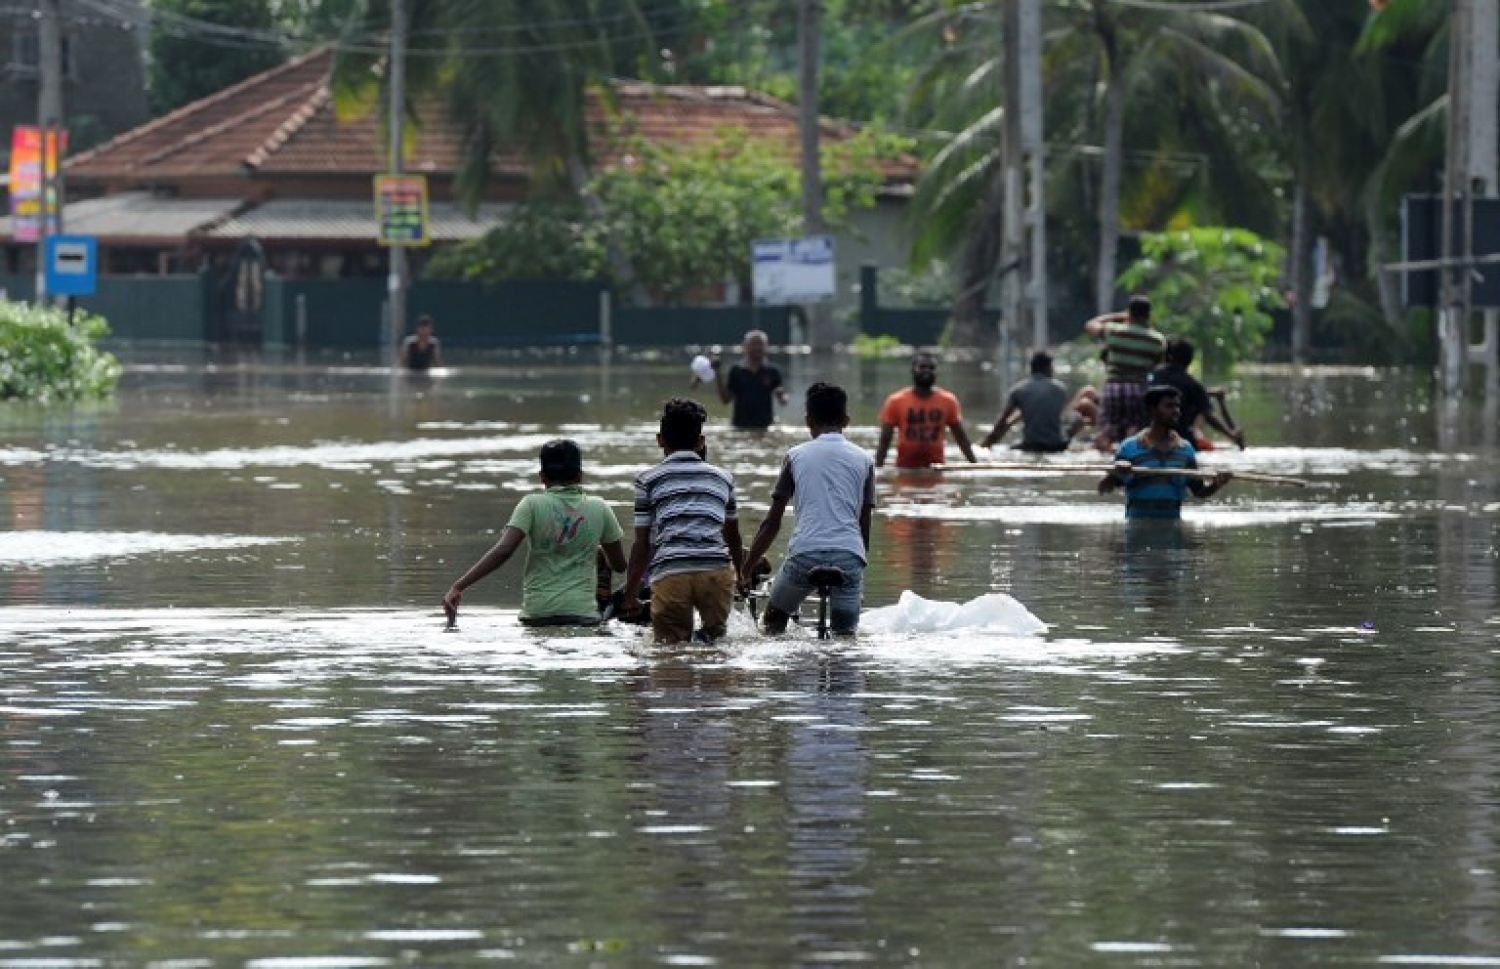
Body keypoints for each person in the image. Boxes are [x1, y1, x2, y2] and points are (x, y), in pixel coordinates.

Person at [741, 382, 876, 636]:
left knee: (772, 624)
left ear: (808, 421)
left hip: (805, 554)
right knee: (846, 636)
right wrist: (859, 562)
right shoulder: (865, 459)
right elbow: (864, 520)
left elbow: (772, 523)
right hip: (849, 556)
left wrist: (746, 569)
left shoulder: (795, 456)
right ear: (846, 421)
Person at [444, 439, 625, 626]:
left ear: (542, 477)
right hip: (583, 616)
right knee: (600, 554)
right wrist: (598, 558)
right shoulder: (600, 507)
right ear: (580, 476)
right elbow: (619, 565)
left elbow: (504, 550)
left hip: (537, 616)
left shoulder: (531, 505)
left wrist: (459, 586)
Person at [619, 398, 745, 644]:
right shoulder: (724, 478)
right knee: (716, 646)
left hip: (671, 572)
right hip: (715, 572)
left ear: (660, 440)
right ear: (700, 442)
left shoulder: (647, 480)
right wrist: (741, 574)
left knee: (671, 651)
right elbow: (733, 537)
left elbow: (642, 545)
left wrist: (630, 594)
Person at [1097, 385, 1233, 519]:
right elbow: (1103, 488)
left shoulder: (1186, 449)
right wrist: (1115, 472)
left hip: (1173, 528)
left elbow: (1199, 492)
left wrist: (1217, 483)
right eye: (1169, 406)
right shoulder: (1129, 447)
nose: (1176, 411)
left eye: (1177, 406)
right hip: (1137, 527)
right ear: (1152, 410)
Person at [1084, 295, 1166, 451]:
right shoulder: (1157, 339)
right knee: (1135, 430)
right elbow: (1157, 366)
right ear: (1149, 315)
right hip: (1139, 389)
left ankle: (1104, 458)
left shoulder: (1114, 330)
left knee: (1106, 430)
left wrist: (1117, 316)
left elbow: (1090, 325)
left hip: (1113, 387)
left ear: (1129, 312)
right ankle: (1130, 457)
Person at [875, 352, 978, 469]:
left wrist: (974, 465)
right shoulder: (895, 401)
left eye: (931, 368)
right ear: (913, 371)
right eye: (922, 367)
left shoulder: (948, 401)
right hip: (905, 469)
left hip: (937, 468)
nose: (927, 371)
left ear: (937, 372)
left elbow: (961, 438)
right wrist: (877, 469)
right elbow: (885, 440)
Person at [1147, 337, 1246, 449]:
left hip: (1152, 435)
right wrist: (1231, 435)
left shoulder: (1154, 377)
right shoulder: (1193, 385)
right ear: (1190, 360)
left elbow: (1173, 390)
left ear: (1167, 357)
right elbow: (1210, 416)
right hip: (1182, 439)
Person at [979, 350, 1073, 453]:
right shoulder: (1060, 389)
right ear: (1048, 368)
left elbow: (1003, 420)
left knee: (1009, 449)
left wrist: (988, 442)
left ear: (1031, 368)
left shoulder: (1018, 390)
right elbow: (1049, 413)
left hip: (1031, 445)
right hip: (1057, 445)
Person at [713, 329, 789, 430]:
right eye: (753, 344)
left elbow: (783, 400)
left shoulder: (772, 371)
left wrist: (782, 396)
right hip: (740, 426)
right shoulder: (736, 371)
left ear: (766, 346)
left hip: (765, 426)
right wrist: (717, 373)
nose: (757, 347)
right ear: (745, 346)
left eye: (760, 344)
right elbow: (725, 400)